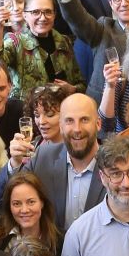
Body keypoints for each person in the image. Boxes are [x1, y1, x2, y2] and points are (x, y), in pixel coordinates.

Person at [15, 90, 105, 229]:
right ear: (61, 126)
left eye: (84, 120)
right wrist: (14, 162)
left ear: (98, 124)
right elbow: (8, 195)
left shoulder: (115, 164)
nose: (77, 129)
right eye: (69, 121)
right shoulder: (43, 156)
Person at [0, 168, 64, 256]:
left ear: (42, 203)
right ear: (9, 207)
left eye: (31, 202)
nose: (24, 210)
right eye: (17, 204)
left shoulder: (61, 241)